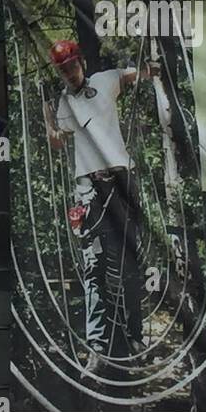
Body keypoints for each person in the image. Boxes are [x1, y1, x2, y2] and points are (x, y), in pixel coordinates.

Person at [43, 38, 157, 366]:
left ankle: (134, 336)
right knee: (93, 267)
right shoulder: (63, 103)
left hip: (119, 182)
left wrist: (150, 70)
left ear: (82, 63)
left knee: (128, 263)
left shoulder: (104, 80)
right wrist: (49, 120)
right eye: (63, 70)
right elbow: (55, 142)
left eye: (73, 66)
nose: (70, 74)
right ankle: (96, 345)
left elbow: (127, 75)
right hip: (89, 190)